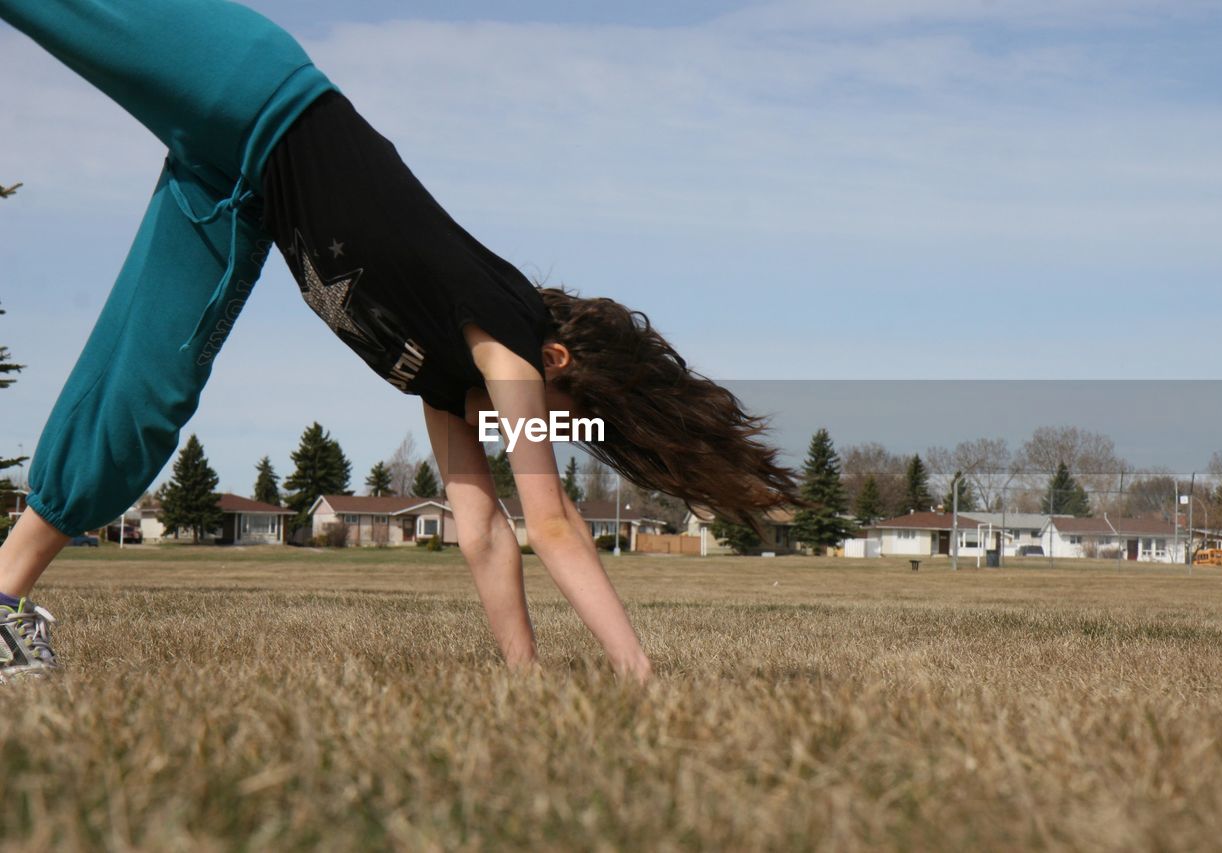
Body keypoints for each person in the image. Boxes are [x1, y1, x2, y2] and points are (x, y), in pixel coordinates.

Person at [0, 0, 799, 684]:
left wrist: (523, 681)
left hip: (235, 190)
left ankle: (2, 604)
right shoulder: (509, 344)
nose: (539, 431)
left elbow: (485, 532)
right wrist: (640, 675)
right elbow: (549, 522)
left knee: (147, 389)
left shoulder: (451, 384)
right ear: (559, 365)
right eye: (560, 417)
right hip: (253, 90)